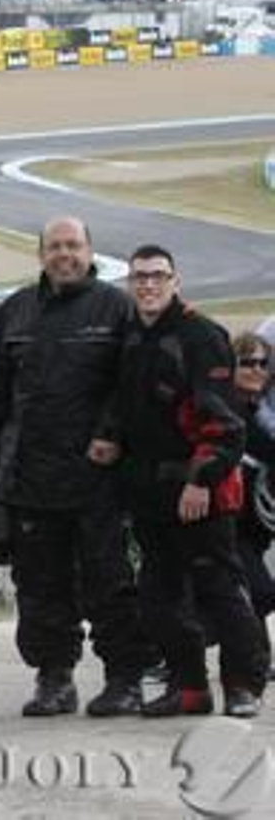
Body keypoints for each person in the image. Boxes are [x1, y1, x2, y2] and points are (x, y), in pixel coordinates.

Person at [0, 217, 152, 718]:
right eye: (55, 247)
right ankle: (54, 678)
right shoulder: (13, 312)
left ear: (90, 251)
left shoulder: (115, 308)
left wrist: (112, 435)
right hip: (30, 477)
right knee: (39, 588)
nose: (64, 255)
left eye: (73, 246)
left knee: (109, 582)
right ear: (41, 255)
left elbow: (134, 385)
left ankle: (125, 677)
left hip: (97, 477)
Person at [112, 245, 265, 718]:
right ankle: (189, 686)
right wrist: (106, 439)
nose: (148, 285)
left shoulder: (201, 336)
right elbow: (124, 408)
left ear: (175, 281)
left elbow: (226, 425)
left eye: (158, 276)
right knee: (159, 600)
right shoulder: (132, 337)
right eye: (139, 277)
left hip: (203, 494)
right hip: (150, 496)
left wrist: (200, 482)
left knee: (219, 590)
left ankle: (243, 685)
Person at [228, 331, 275, 668]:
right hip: (226, 521)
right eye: (247, 363)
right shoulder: (226, 411)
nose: (256, 370)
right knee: (259, 591)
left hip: (255, 525)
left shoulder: (260, 409)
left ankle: (258, 658)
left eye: (263, 363)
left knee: (248, 590)